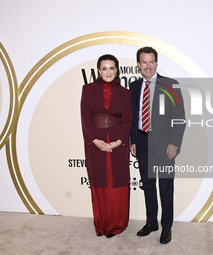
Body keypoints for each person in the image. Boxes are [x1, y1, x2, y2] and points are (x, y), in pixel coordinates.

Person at [129, 47, 185, 244]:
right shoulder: (134, 86)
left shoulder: (171, 84)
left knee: (166, 187)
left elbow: (180, 118)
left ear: (156, 63)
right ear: (138, 65)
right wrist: (133, 141)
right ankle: (151, 222)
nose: (148, 66)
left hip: (165, 145)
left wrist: (174, 143)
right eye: (144, 62)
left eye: (151, 62)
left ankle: (166, 227)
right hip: (142, 143)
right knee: (149, 186)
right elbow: (132, 117)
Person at [80, 54, 133, 238]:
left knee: (116, 183)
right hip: (95, 143)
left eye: (112, 68)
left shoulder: (125, 93)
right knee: (100, 182)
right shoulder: (87, 90)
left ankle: (117, 225)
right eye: (104, 68)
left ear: (117, 70)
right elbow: (85, 118)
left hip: (118, 143)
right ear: (98, 70)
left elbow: (127, 120)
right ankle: (101, 224)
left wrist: (118, 142)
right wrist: (95, 140)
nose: (108, 72)